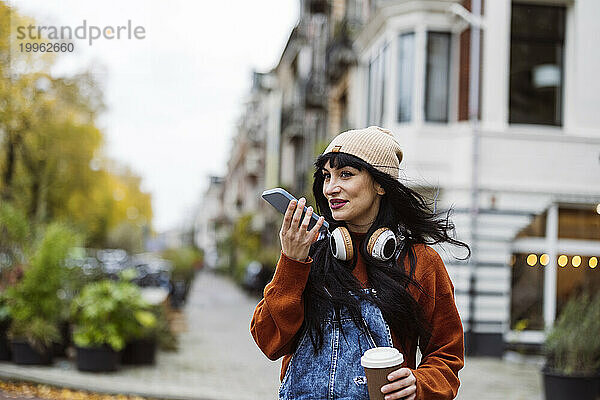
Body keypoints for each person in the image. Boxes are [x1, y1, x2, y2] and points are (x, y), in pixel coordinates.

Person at [250, 126, 469, 400]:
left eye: (346, 174)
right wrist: (291, 263)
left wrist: (420, 384)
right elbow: (268, 342)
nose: (331, 188)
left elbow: (446, 356)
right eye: (327, 176)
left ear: (380, 183)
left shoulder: (421, 262)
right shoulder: (308, 253)